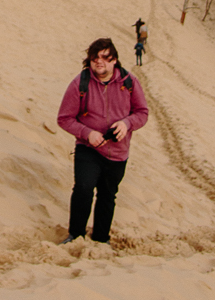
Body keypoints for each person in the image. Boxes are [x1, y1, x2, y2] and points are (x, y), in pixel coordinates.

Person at [57, 38, 148, 244]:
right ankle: (76, 236)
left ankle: (100, 239)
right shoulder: (80, 83)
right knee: (83, 188)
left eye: (105, 58)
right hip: (88, 148)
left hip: (118, 152)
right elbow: (64, 118)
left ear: (114, 60)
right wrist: (87, 133)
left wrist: (127, 123)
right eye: (95, 57)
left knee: (107, 195)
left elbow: (142, 113)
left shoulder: (129, 82)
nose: (100, 62)